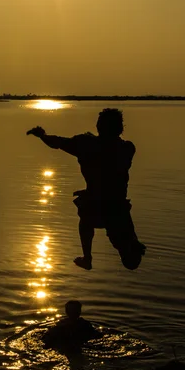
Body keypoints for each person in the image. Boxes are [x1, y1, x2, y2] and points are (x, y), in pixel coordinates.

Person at [27, 107, 146, 270]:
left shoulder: (85, 144)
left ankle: (87, 258)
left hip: (98, 204)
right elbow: (109, 174)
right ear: (120, 129)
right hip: (117, 206)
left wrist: (42, 135)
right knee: (129, 257)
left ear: (99, 126)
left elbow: (58, 142)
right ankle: (131, 243)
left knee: (85, 216)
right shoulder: (127, 148)